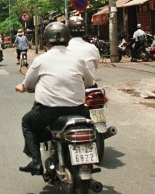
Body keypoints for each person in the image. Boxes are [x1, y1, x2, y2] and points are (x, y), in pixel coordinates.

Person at [14, 22, 95, 174]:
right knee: (90, 127)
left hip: (49, 112)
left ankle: (36, 162)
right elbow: (89, 82)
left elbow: (28, 84)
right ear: (67, 39)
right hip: (79, 110)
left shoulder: (41, 60)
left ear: (46, 41)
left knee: (27, 123)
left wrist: (22, 87)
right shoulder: (78, 59)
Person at [66, 15, 101, 85]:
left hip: (71, 87)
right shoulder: (92, 48)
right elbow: (96, 65)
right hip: (90, 88)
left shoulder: (65, 49)